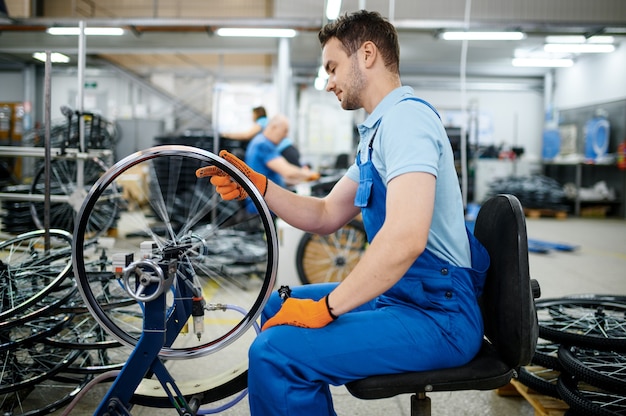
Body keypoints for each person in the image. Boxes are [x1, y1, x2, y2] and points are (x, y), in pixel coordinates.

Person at [196, 10, 489, 416]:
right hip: (405, 298)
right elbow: (325, 213)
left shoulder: (406, 120)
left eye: (332, 68)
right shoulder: (378, 131)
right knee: (276, 308)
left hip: (440, 316)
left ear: (367, 54)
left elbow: (406, 237)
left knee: (278, 354)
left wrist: (328, 306)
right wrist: (260, 186)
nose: (329, 82)